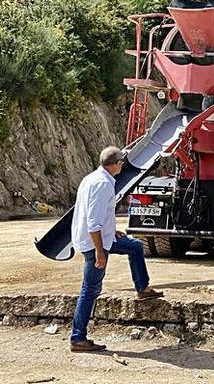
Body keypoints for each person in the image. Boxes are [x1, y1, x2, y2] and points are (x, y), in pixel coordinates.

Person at [70, 146, 164, 353]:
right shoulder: (102, 184)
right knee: (90, 289)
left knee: (135, 247)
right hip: (95, 243)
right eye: (121, 161)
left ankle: (143, 289)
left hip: (102, 238)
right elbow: (93, 222)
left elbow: (99, 215)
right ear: (115, 164)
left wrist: (113, 232)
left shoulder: (91, 178)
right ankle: (78, 338)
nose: (123, 164)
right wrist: (100, 253)